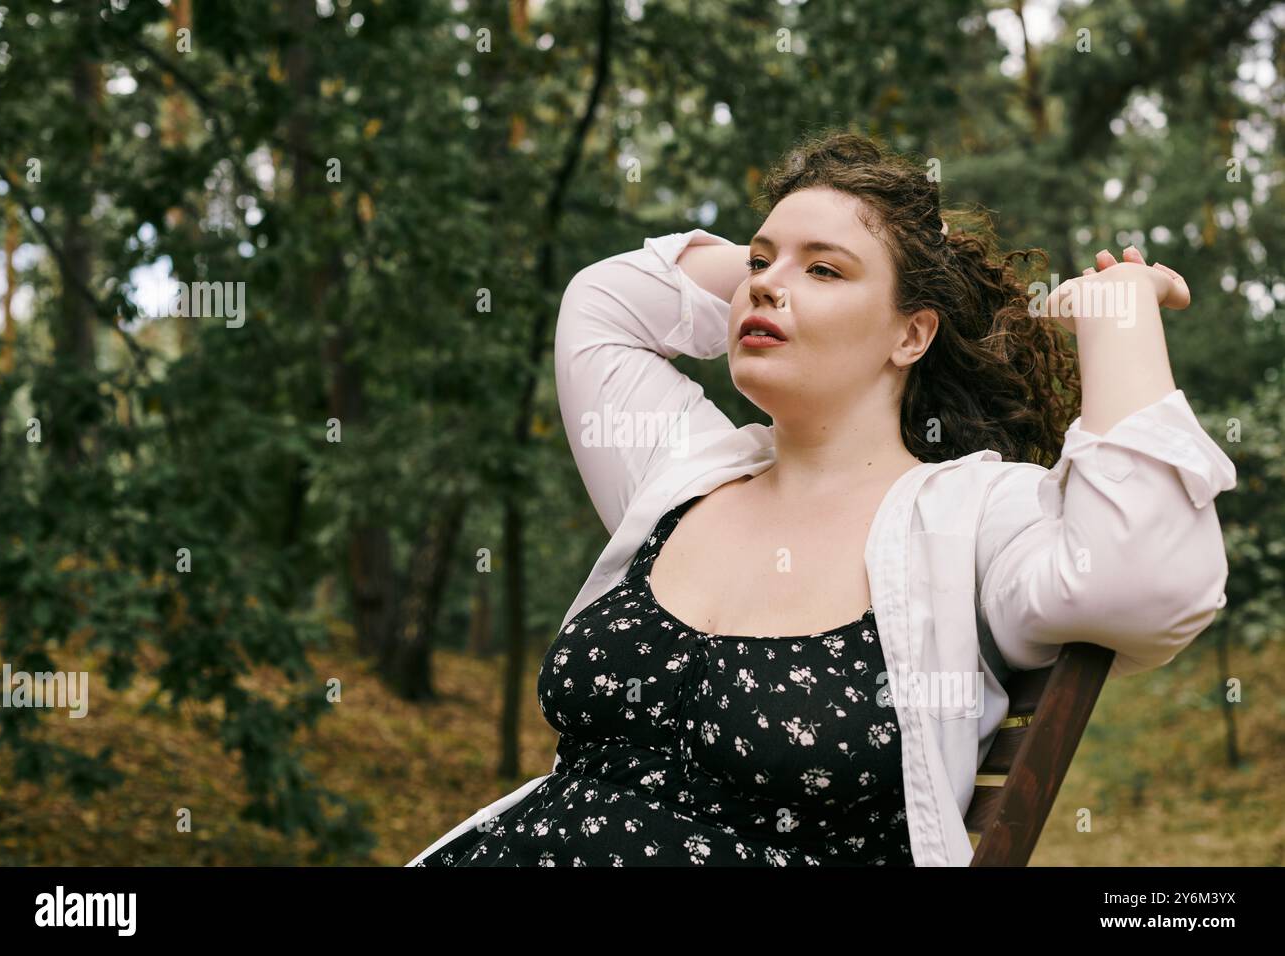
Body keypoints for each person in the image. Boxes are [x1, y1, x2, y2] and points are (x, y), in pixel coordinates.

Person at [407, 128, 1235, 867]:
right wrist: (838, 246)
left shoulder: (971, 517)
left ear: (911, 333)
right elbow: (603, 304)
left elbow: (1143, 579)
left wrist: (1120, 317)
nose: (764, 286)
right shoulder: (685, 470)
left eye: (823, 271)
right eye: (759, 262)